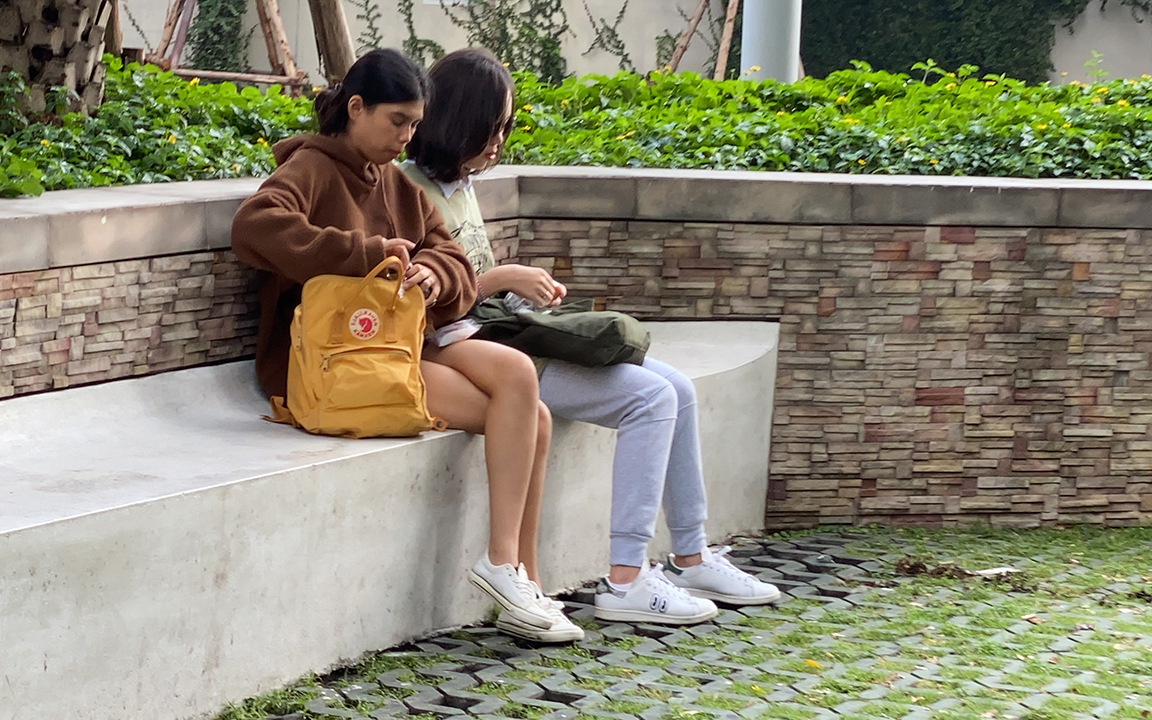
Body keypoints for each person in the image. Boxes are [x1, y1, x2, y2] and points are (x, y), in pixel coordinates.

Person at [402, 48, 781, 639]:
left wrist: (517, 291)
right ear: (458, 121)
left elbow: (469, 284)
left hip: (502, 331)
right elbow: (426, 303)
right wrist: (504, 278)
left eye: (505, 128)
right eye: (491, 128)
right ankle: (626, 580)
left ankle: (691, 556)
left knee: (678, 388)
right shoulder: (408, 189)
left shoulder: (460, 184)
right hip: (470, 351)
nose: (499, 143)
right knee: (650, 399)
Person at [229, 48, 581, 643]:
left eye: (415, 124)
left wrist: (434, 275)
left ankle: (521, 575)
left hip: (390, 347)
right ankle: (506, 567)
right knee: (529, 412)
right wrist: (368, 255)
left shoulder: (394, 182)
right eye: (397, 121)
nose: (407, 137)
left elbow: (452, 259)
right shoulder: (310, 168)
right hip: (329, 365)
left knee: (530, 403)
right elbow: (254, 226)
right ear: (356, 108)